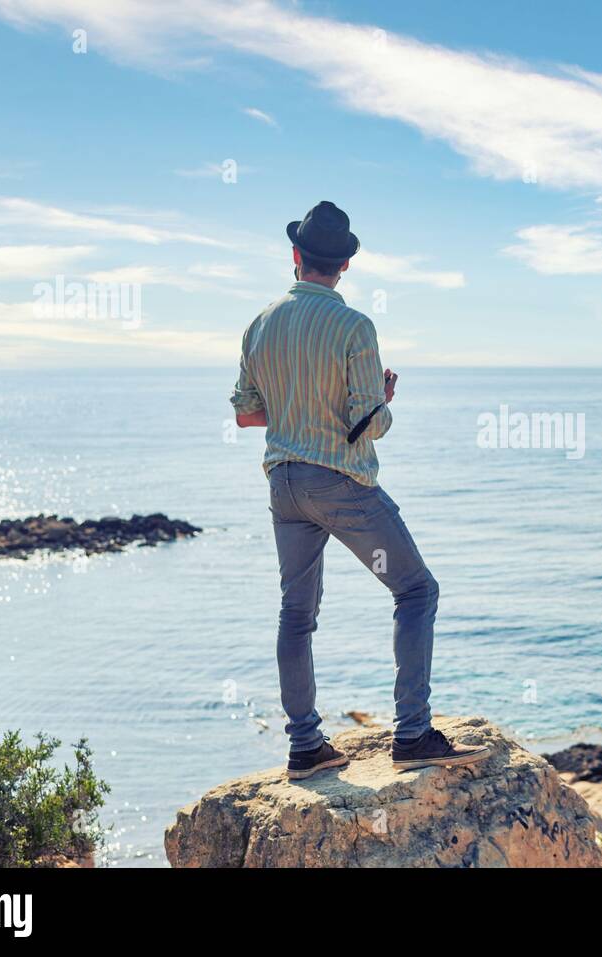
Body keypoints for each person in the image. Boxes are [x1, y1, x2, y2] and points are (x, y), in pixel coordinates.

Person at [230, 201, 488, 778]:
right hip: (340, 486)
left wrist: (297, 408)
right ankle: (413, 735)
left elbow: (249, 417)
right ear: (343, 265)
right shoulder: (354, 327)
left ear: (296, 257)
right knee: (415, 591)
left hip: (285, 486)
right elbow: (367, 425)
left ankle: (304, 747)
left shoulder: (259, 325)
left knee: (296, 613)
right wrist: (382, 401)